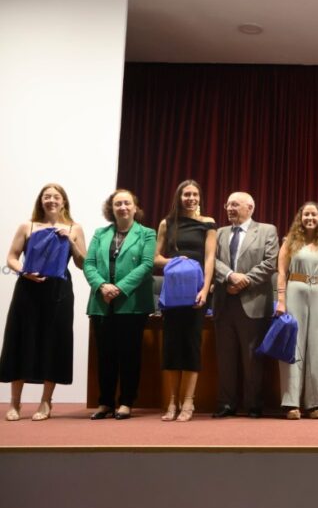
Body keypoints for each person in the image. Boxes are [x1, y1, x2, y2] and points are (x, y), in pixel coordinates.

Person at [2, 183, 86, 421]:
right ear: (41, 201)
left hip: (59, 292)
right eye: (46, 196)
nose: (51, 200)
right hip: (28, 290)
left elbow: (82, 263)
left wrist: (71, 241)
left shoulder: (75, 228)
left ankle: (46, 401)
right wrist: (24, 271)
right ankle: (15, 403)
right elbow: (11, 257)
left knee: (54, 342)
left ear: (63, 201)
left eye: (56, 197)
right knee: (21, 340)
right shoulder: (26, 226)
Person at [83, 189, 156, 420]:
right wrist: (102, 286)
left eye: (127, 203)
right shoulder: (100, 234)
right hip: (102, 303)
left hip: (132, 303)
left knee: (129, 355)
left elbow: (146, 265)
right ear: (111, 209)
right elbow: (89, 264)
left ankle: (126, 402)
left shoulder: (147, 234)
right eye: (117, 204)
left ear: (135, 207)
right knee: (105, 356)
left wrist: (119, 288)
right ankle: (105, 402)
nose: (122, 207)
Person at [212, 192, 279, 419]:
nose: (230, 208)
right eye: (228, 204)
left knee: (252, 359)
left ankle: (253, 404)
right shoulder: (219, 233)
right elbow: (211, 260)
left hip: (253, 302)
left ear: (250, 207)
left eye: (235, 204)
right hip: (224, 302)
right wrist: (230, 276)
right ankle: (226, 404)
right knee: (225, 357)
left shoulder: (267, 230)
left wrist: (245, 281)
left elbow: (270, 262)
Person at [154, 179, 216, 422]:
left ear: (200, 198)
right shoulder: (166, 223)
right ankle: (172, 401)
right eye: (186, 194)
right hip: (173, 292)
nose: (191, 198)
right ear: (179, 197)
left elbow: (210, 258)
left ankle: (188, 401)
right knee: (171, 346)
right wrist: (175, 261)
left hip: (196, 291)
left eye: (194, 194)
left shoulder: (208, 223)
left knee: (191, 345)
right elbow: (155, 258)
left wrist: (205, 290)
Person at [275, 202, 318, 420]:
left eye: (314, 215)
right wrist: (281, 300)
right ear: (300, 218)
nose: (310, 218)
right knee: (294, 345)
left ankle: (315, 403)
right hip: (295, 290)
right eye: (306, 214)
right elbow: (281, 272)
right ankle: (291, 402)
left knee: (317, 347)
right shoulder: (290, 242)